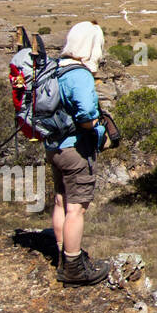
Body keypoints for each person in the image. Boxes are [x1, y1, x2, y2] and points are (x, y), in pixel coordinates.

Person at [47, 21, 113, 286]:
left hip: (53, 147)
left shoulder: (54, 68)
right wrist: (95, 126)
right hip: (75, 148)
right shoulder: (80, 73)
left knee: (61, 201)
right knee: (77, 209)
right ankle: (74, 268)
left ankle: (64, 255)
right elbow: (86, 112)